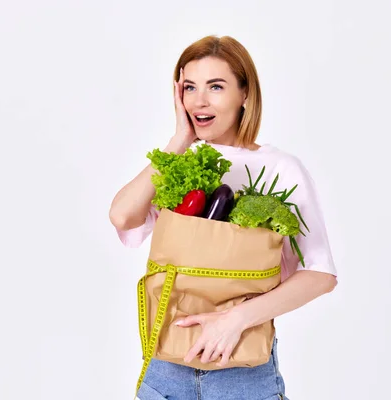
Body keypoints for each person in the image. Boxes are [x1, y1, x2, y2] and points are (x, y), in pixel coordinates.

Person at [109, 35, 338, 400]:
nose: (199, 100)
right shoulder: (182, 165)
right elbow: (122, 216)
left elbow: (321, 274)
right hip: (166, 369)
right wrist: (178, 140)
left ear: (245, 94)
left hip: (242, 371)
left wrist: (235, 320)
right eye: (189, 87)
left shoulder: (282, 168)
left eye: (216, 86)